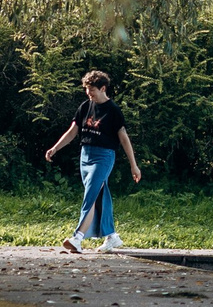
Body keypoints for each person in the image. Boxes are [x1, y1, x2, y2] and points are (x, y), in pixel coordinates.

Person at [43, 69, 142, 253]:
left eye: (92, 90)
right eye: (87, 90)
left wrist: (133, 165)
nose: (89, 94)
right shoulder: (85, 106)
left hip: (104, 157)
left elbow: (124, 138)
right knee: (99, 195)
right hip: (85, 156)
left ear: (103, 88)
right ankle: (112, 236)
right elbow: (73, 131)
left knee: (91, 194)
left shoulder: (113, 111)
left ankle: (78, 237)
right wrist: (55, 148)